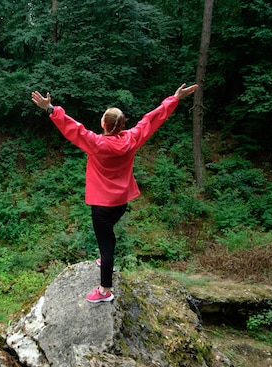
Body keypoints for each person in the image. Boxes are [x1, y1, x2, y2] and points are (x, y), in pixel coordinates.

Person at [31, 83, 198, 303]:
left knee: (106, 246)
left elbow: (73, 128)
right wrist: (174, 98)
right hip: (121, 202)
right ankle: (105, 261)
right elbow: (151, 119)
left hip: (102, 206)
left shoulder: (97, 143)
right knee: (108, 238)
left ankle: (104, 291)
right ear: (121, 125)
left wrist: (50, 108)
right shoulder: (131, 139)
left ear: (103, 123)